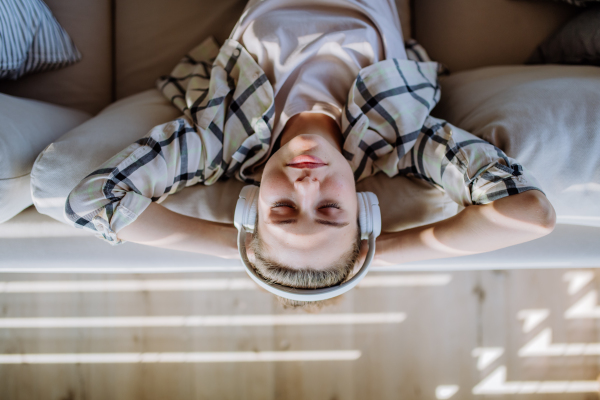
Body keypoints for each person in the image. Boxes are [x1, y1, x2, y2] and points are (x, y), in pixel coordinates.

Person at [64, 0, 556, 307]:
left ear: (249, 208)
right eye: (329, 211)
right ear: (364, 210)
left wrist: (241, 246)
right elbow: (529, 214)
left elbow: (92, 200)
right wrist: (378, 254)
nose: (306, 187)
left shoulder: (217, 138)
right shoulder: (405, 139)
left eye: (282, 211)